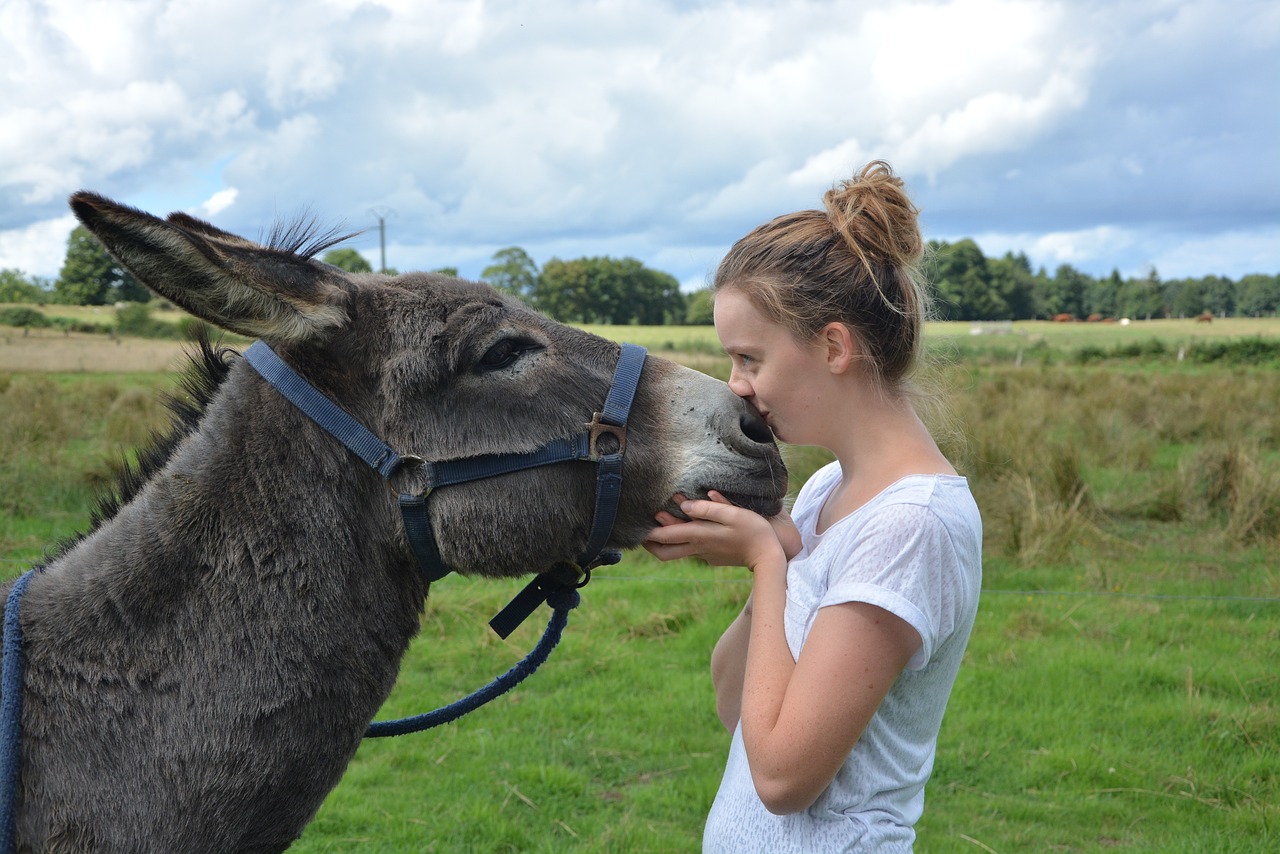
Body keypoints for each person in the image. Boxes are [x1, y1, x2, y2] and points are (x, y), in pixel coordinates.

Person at [644, 161, 981, 852]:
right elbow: (733, 705)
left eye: (749, 358)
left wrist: (767, 562)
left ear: (833, 347)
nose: (736, 387)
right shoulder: (830, 487)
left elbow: (783, 779)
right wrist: (779, 557)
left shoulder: (912, 524)